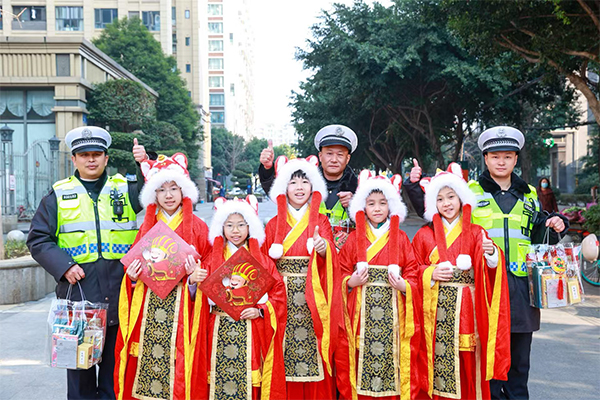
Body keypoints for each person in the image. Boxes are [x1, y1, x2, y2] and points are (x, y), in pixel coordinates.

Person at [405, 126, 568, 399]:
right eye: (495, 156)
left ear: (516, 159)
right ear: (485, 158)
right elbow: (437, 213)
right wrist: (412, 185)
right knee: (486, 362)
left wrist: (556, 224)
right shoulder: (469, 191)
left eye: (507, 156)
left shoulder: (529, 194)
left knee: (519, 363)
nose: (501, 162)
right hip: (483, 288)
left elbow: (540, 234)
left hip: (520, 289)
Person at [27, 127, 149, 399]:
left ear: (106, 158)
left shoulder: (124, 190)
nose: (91, 160)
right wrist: (65, 266)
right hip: (79, 302)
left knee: (114, 378)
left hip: (121, 297)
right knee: (80, 379)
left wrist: (144, 163)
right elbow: (38, 239)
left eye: (96, 154)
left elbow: (154, 190)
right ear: (74, 160)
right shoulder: (58, 194)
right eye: (84, 155)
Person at [113, 153, 212, 400]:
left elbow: (210, 272)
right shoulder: (147, 226)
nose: (168, 195)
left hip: (183, 312)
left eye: (174, 188)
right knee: (148, 366)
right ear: (153, 195)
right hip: (149, 307)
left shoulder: (199, 228)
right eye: (161, 189)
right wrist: (133, 278)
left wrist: (193, 279)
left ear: (183, 190)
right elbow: (132, 271)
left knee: (180, 367)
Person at [412, 164, 511, 400]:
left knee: (469, 364)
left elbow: (491, 271)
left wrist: (491, 254)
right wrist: (429, 273)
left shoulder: (477, 232)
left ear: (461, 198)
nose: (446, 203)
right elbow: (412, 269)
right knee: (435, 365)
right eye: (440, 199)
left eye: (451, 197)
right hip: (435, 315)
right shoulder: (423, 235)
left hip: (469, 313)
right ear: (432, 204)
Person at [338, 171, 422, 400]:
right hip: (360, 316)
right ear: (362, 207)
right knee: (359, 361)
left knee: (391, 362)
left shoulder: (402, 239)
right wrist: (350, 282)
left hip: (393, 317)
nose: (377, 208)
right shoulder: (353, 239)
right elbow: (340, 273)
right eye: (371, 203)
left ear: (391, 206)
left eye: (383, 203)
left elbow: (414, 271)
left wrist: (405, 286)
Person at [262, 156, 340, 399]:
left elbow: (333, 259)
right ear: (284, 187)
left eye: (304, 181)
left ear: (313, 187)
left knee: (314, 352)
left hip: (312, 297)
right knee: (281, 355)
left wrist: (324, 249)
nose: (299, 187)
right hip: (281, 299)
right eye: (293, 182)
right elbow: (264, 263)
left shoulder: (322, 221)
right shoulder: (273, 223)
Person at [203, 196, 287, 399]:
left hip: (251, 330)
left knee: (250, 381)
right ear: (221, 228)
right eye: (229, 225)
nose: (235, 231)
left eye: (241, 225)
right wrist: (195, 284)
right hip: (218, 328)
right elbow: (196, 300)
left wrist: (260, 310)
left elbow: (279, 294)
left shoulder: (263, 261)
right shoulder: (211, 259)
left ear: (250, 227)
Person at [258, 125, 359, 249]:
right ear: (320, 156)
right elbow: (277, 191)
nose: (334, 159)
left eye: (340, 155)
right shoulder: (306, 183)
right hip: (310, 259)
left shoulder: (360, 189)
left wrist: (355, 206)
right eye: (329, 153)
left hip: (345, 262)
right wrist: (267, 169)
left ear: (347, 158)